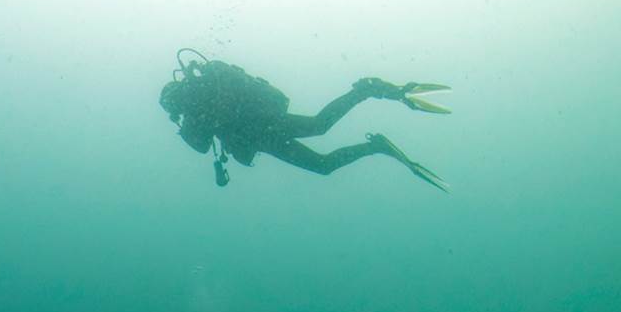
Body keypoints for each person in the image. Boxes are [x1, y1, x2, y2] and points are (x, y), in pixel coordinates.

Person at [158, 48, 450, 190]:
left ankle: (366, 90)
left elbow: (200, 144)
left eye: (173, 107)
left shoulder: (197, 108)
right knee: (322, 161)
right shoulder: (200, 104)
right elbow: (206, 141)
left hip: (263, 127)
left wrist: (182, 125)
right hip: (264, 137)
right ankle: (377, 144)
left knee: (319, 128)